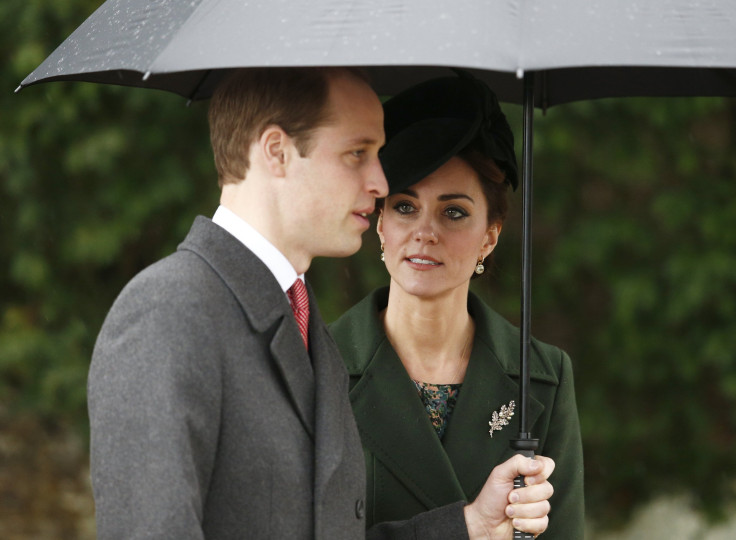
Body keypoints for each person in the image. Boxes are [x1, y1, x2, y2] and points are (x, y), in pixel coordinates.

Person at [88, 67, 554, 540]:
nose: (379, 182)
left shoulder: (303, 321)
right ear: (278, 152)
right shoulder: (167, 313)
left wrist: (467, 526)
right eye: (358, 154)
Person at [330, 73, 585, 539]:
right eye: (405, 207)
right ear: (381, 223)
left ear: (491, 235)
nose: (425, 232)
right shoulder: (315, 366)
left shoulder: (544, 378)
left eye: (453, 212)